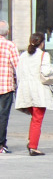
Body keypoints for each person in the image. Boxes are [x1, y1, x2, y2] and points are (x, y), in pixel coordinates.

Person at [14, 32, 53, 156]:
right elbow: (45, 70)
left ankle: (31, 141)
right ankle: (33, 146)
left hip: (25, 89)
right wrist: (52, 70)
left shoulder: (22, 56)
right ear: (42, 43)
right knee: (37, 119)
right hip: (38, 90)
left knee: (34, 117)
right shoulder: (44, 55)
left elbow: (18, 72)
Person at [0, 21, 19, 153]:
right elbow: (17, 66)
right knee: (3, 116)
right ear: (7, 32)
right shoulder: (10, 45)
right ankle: (1, 144)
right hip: (5, 86)